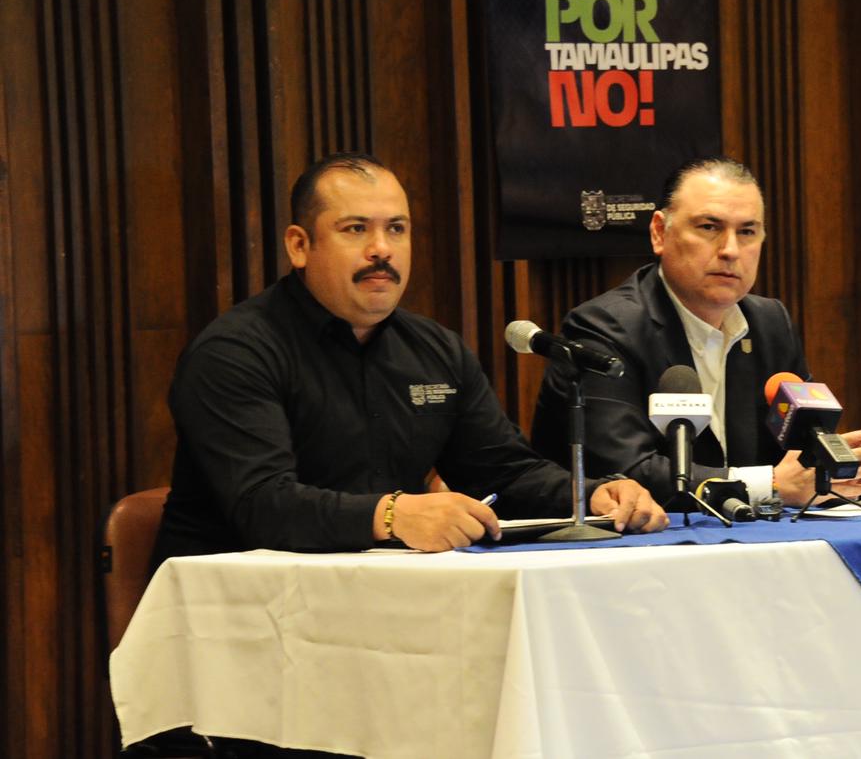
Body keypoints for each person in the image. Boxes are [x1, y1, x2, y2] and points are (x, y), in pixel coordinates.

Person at [154, 153, 665, 562]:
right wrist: (392, 516)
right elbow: (262, 505)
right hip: (239, 606)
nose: (382, 249)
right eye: (356, 229)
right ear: (299, 245)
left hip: (382, 593)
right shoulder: (235, 353)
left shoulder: (435, 350)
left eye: (397, 229)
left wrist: (591, 495)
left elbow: (504, 474)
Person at [531, 157, 861, 507]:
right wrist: (768, 485)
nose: (730, 250)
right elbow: (624, 472)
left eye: (747, 232)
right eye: (709, 227)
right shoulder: (603, 328)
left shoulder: (771, 323)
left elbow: (799, 451)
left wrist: (829, 470)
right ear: (659, 232)